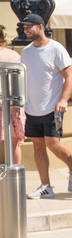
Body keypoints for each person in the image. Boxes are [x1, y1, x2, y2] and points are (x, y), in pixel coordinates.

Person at [19, 14, 72, 199]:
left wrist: (63, 100)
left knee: (52, 144)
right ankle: (46, 186)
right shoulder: (26, 52)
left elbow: (69, 76)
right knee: (38, 146)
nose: (26, 30)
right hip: (32, 108)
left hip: (53, 108)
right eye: (24, 27)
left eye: (29, 26)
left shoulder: (56, 49)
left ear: (40, 26)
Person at [0, 24, 26, 165]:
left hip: (1, 100)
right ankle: (15, 174)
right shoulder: (14, 55)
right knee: (15, 142)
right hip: (13, 102)